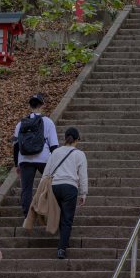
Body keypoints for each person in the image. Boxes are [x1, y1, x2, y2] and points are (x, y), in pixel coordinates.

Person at [41, 127, 88, 260]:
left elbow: (47, 172)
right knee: (67, 219)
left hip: (55, 186)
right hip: (70, 188)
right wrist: (83, 194)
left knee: (58, 214)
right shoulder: (80, 154)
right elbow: (83, 177)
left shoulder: (55, 152)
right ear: (77, 140)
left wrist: (42, 190)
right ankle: (61, 249)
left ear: (64, 138)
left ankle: (62, 239)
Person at [13, 94, 59, 218]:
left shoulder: (20, 123)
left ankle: (27, 216)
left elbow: (16, 146)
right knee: (50, 184)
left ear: (30, 106)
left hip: (24, 159)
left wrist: (17, 164)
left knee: (26, 188)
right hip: (43, 157)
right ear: (43, 106)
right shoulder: (48, 122)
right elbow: (54, 146)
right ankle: (49, 212)